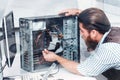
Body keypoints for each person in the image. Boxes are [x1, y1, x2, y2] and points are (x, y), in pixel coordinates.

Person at [42, 8, 120, 80]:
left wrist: (56, 58)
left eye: (82, 31)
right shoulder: (114, 30)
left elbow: (82, 70)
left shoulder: (108, 49)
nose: (81, 35)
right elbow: (99, 20)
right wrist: (82, 14)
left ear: (93, 32)